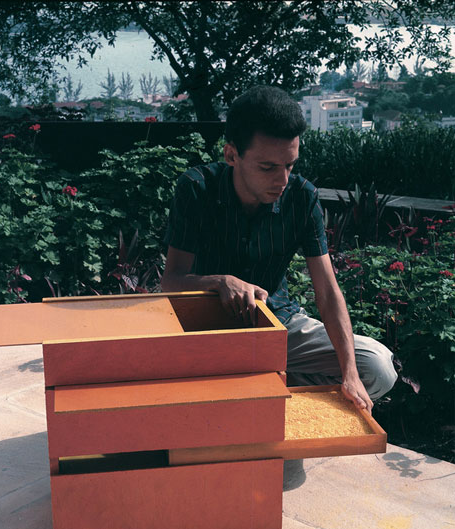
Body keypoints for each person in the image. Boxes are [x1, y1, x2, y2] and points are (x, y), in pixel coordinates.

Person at [161, 85, 397, 412]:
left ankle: (271, 395)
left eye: (290, 165)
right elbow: (171, 281)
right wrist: (218, 281)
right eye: (268, 167)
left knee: (378, 367)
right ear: (232, 155)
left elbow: (327, 292)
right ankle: (254, 395)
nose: (282, 180)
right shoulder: (197, 189)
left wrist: (350, 374)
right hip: (206, 332)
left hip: (278, 326)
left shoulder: (302, 197)